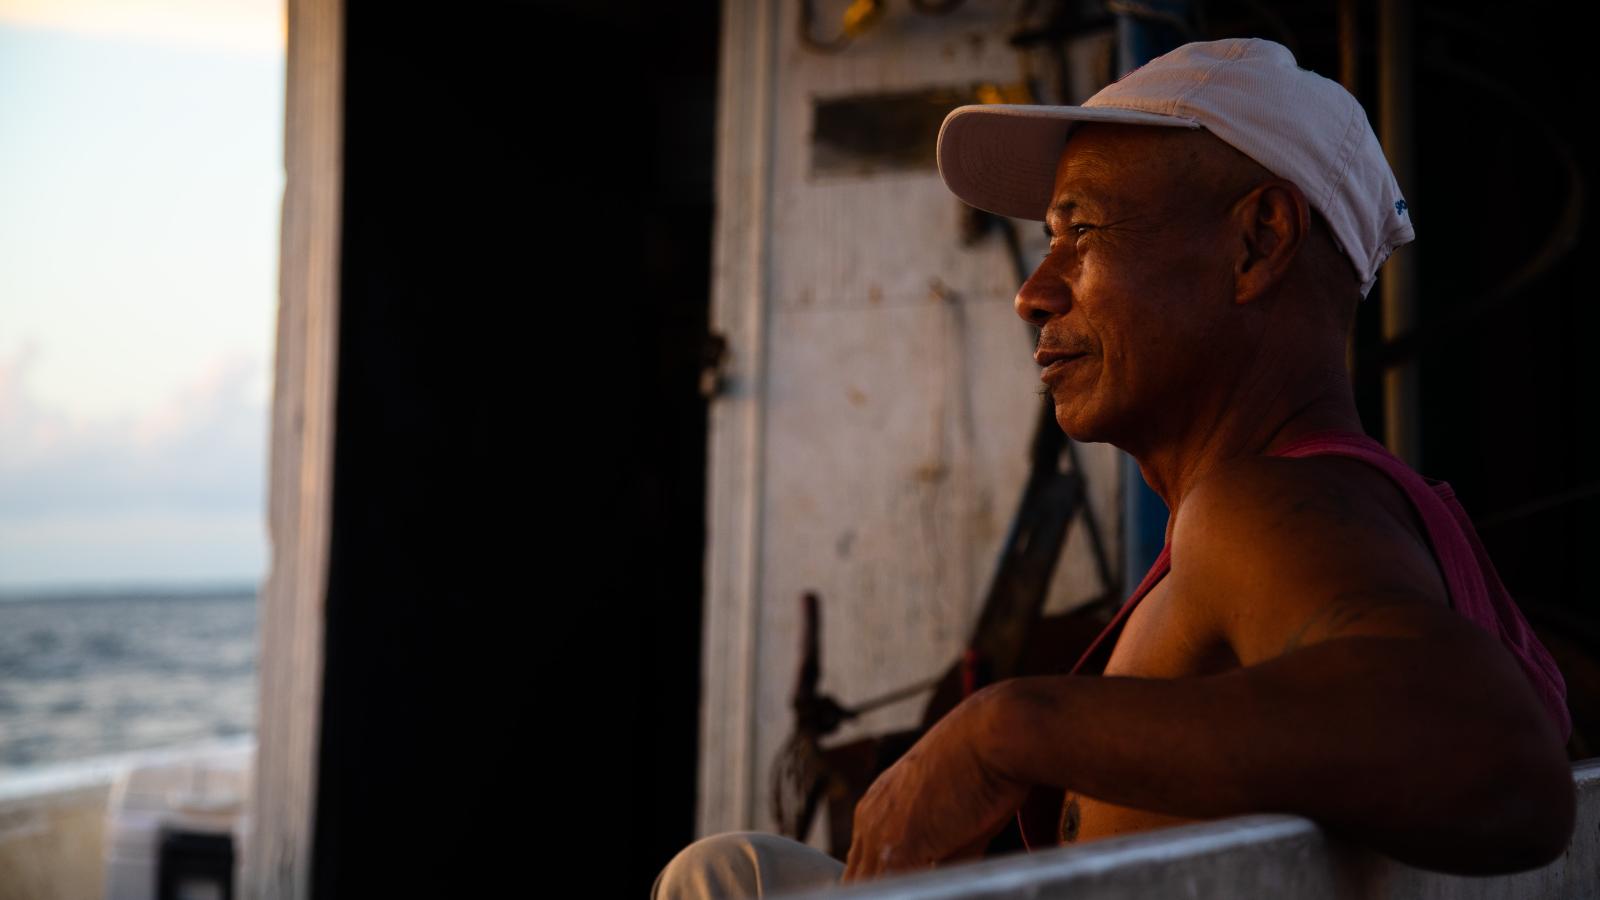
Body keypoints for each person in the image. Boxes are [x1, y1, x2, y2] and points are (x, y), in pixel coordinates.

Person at [652, 36, 1576, 899]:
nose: (1031, 291)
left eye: (1080, 230)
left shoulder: (1257, 508)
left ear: (1257, 243)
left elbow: (1502, 764)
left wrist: (1002, 730)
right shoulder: (1346, 506)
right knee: (737, 870)